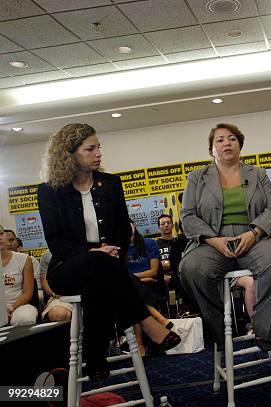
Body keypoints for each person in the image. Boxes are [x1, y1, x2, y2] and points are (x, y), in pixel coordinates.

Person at [37, 123, 180, 380]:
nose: (98, 154)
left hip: (108, 265)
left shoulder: (111, 184)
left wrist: (111, 252)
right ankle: (146, 321)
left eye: (98, 147)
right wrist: (95, 253)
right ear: (69, 154)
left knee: (100, 279)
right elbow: (56, 242)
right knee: (100, 265)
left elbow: (123, 231)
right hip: (66, 268)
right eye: (90, 149)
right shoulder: (49, 191)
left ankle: (95, 356)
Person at [179, 123, 271, 351]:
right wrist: (213, 239)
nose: (226, 143)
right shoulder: (196, 178)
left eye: (232, 139)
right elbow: (188, 216)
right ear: (211, 149)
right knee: (191, 269)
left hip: (253, 237)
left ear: (240, 145)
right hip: (212, 241)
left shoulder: (258, 174)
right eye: (219, 140)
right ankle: (218, 331)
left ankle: (263, 329)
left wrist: (254, 233)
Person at [127, 220, 172, 355]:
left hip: (151, 284)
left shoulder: (149, 243)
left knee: (133, 292)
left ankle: (139, 342)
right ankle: (158, 318)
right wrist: (138, 279)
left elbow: (153, 271)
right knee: (132, 291)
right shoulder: (119, 248)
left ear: (134, 225)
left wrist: (134, 278)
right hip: (132, 286)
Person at [1, 229, 37, 325]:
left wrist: (9, 308)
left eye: (1, 233)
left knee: (25, 318)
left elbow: (28, 293)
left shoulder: (24, 259)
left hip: (18, 306)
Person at [39, 250, 72, 322]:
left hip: (88, 296)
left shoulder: (88, 249)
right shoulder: (47, 255)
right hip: (59, 297)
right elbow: (44, 281)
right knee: (59, 314)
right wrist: (55, 294)